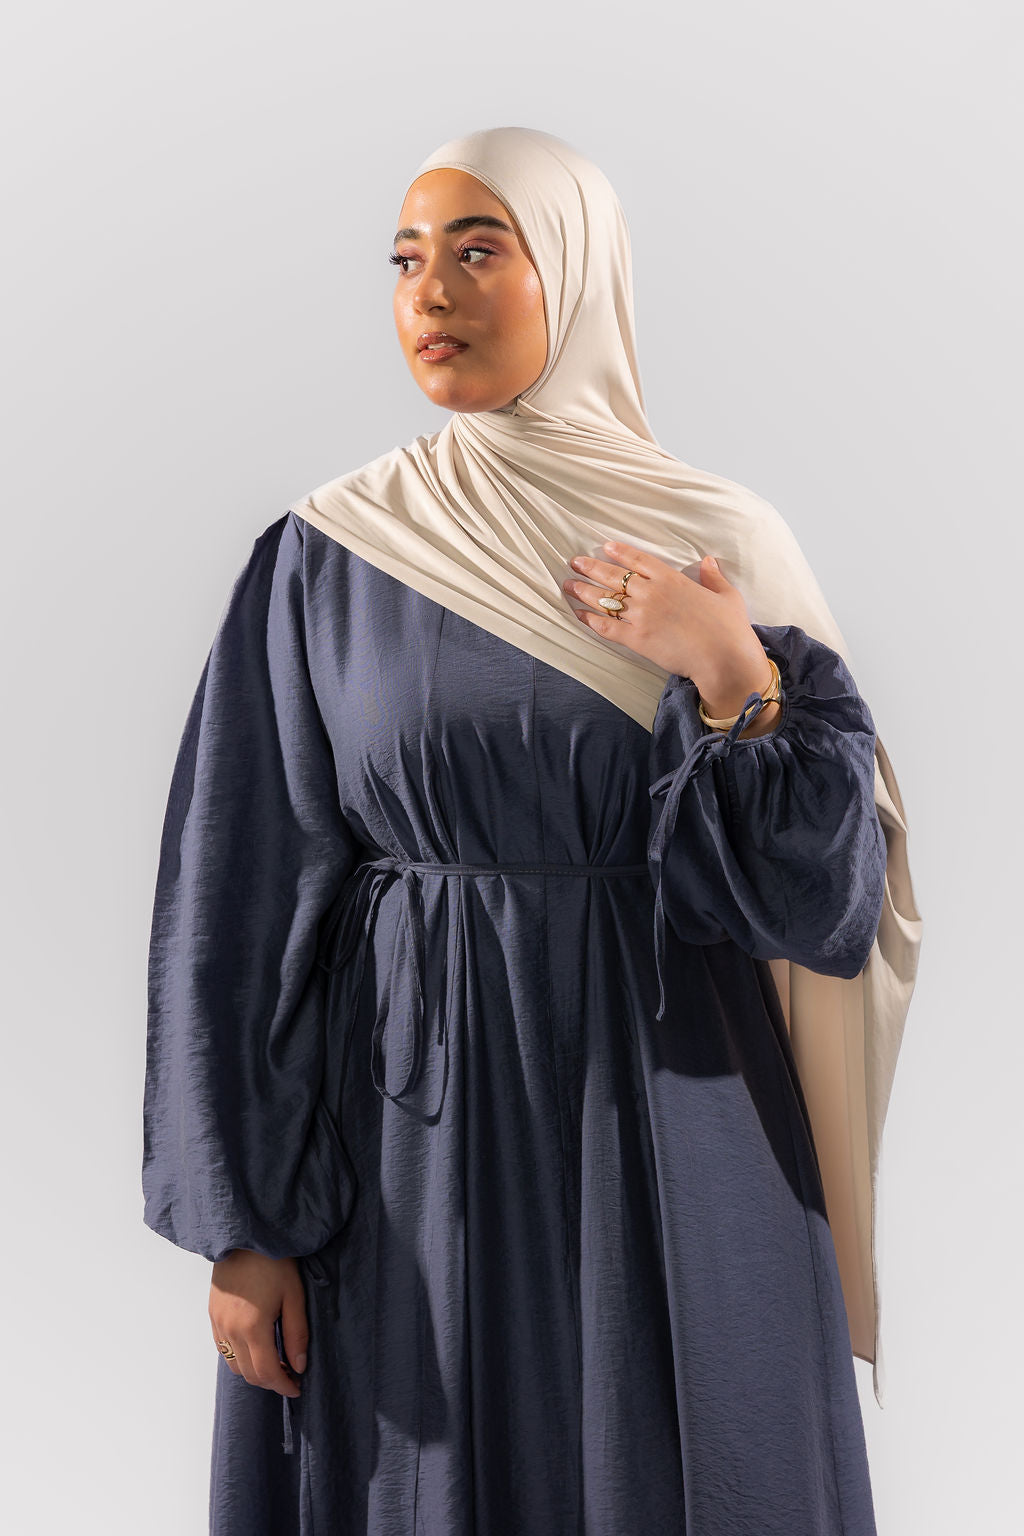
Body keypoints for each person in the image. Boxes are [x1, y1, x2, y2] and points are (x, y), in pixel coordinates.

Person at [142, 126, 922, 1536]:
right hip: (407, 1140)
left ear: (576, 270)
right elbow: (237, 897)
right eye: (405, 261)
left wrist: (731, 671)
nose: (431, 293)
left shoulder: (719, 544)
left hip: (677, 1113)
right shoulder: (332, 553)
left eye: (479, 250)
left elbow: (824, 903)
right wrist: (243, 1224)